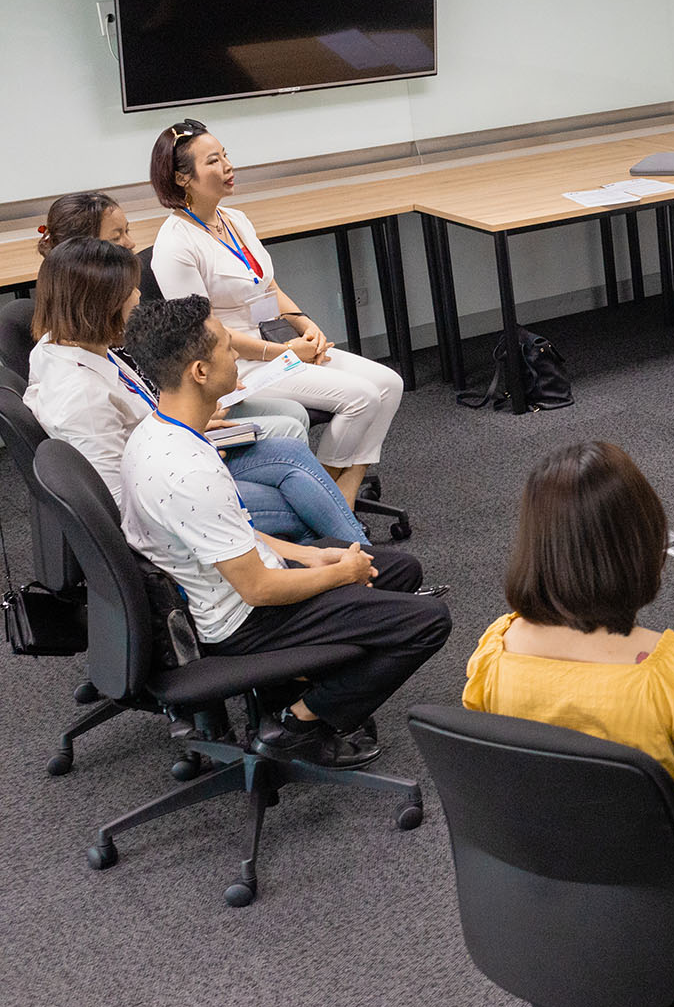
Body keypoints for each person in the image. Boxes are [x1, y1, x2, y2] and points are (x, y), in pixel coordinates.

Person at [119, 296, 449, 769]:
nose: (236, 357)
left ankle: (291, 684)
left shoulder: (162, 430)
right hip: (239, 621)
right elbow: (258, 588)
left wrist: (310, 556)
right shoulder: (187, 469)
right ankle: (296, 724)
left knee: (399, 570)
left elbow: (237, 535)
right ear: (199, 371)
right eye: (226, 350)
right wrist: (341, 574)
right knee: (427, 621)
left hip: (233, 581)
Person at [464, 440, 674, 1007]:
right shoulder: (669, 669)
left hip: (545, 890)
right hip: (672, 906)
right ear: (644, 545)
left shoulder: (495, 651)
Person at [25, 238, 366, 543]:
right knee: (296, 506)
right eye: (130, 290)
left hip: (176, 455)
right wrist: (191, 447)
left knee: (289, 453)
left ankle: (358, 562)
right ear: (103, 305)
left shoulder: (76, 349)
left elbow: (137, 424)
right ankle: (353, 573)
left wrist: (191, 425)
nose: (140, 295)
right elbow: (120, 504)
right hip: (170, 499)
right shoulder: (81, 397)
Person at [147, 120, 403, 505]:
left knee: (389, 384)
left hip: (273, 350)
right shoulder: (175, 244)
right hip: (235, 366)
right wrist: (283, 353)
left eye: (226, 155)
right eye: (213, 161)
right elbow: (206, 333)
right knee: (363, 398)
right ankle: (326, 497)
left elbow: (267, 286)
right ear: (183, 178)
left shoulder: (235, 220)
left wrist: (305, 324)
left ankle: (333, 493)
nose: (228, 166)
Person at [37, 188, 314, 440]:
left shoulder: (89, 322)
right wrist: (191, 411)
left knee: (293, 415)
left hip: (178, 405)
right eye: (116, 237)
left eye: (127, 231)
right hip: (172, 427)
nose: (131, 244)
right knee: (290, 427)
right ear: (85, 253)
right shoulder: (87, 343)